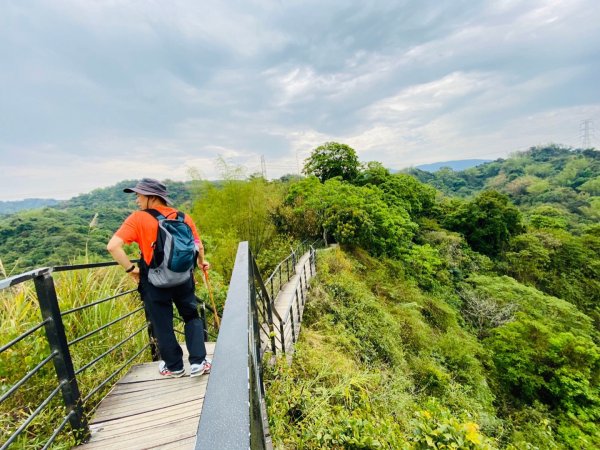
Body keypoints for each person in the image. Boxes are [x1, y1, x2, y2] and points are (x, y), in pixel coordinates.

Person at [107, 178, 212, 378]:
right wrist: (201, 263)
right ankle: (199, 362)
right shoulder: (182, 217)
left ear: (151, 196)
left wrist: (131, 270)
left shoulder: (138, 218)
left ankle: (174, 367)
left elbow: (113, 246)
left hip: (154, 281)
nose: (137, 200)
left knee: (162, 322)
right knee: (191, 316)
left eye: (139, 195)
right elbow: (198, 245)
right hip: (183, 277)